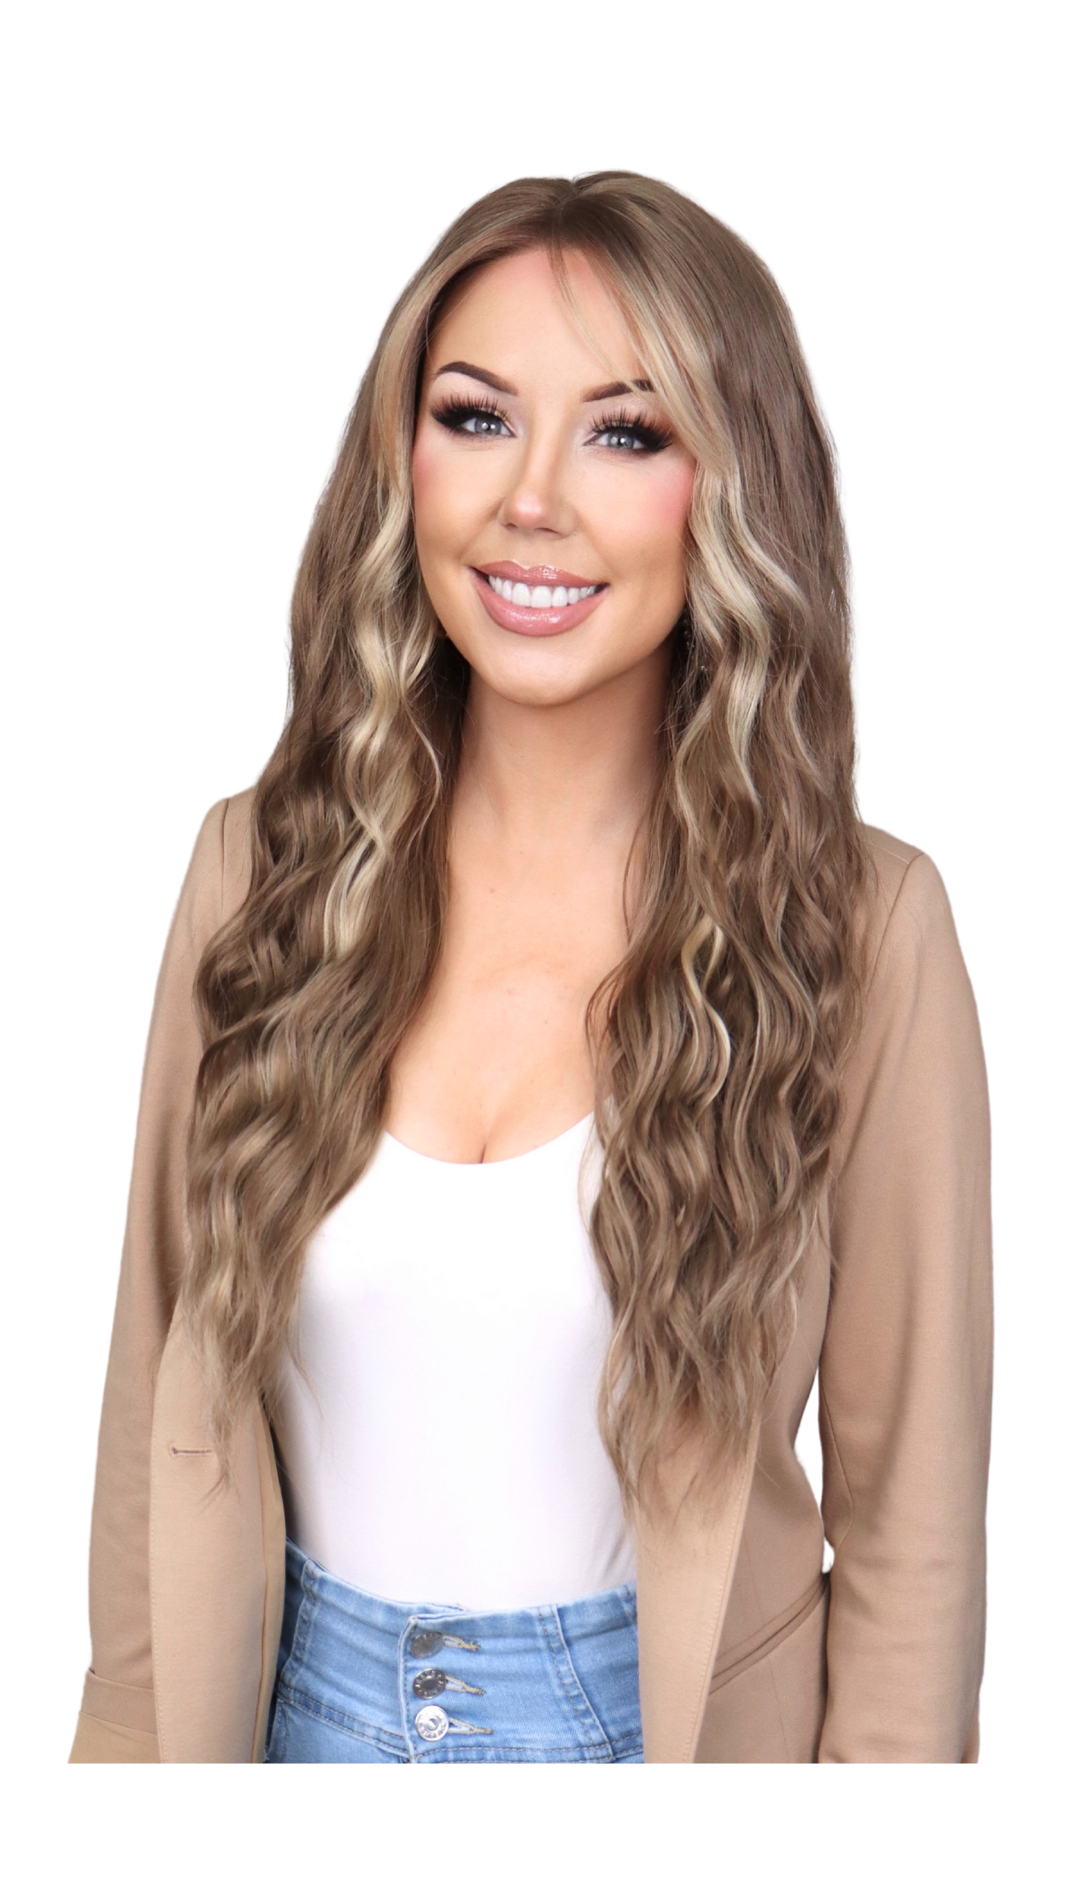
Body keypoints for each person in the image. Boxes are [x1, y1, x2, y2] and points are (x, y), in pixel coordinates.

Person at [68, 169, 994, 1765]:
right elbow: (155, 1426)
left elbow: (910, 1528)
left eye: (626, 433)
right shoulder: (254, 870)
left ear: (736, 488)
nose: (533, 500)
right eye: (479, 416)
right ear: (403, 459)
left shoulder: (866, 930)